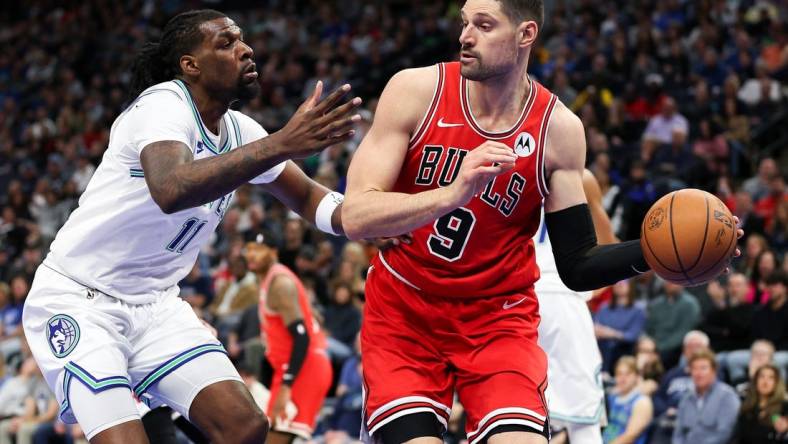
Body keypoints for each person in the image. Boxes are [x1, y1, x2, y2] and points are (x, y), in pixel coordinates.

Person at [343, 1, 741, 442]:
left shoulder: (559, 131)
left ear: (525, 34)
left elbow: (578, 265)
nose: (465, 36)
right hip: (406, 310)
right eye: (464, 23)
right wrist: (451, 194)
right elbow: (355, 215)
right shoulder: (416, 91)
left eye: (483, 25)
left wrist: (657, 253)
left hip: (498, 317)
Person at [21, 9, 361, 444]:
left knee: (245, 428)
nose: (246, 49)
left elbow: (312, 198)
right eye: (226, 42)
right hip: (80, 300)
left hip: (156, 305)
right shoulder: (163, 104)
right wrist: (281, 143)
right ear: (190, 65)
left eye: (242, 39)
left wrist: (368, 222)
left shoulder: (241, 130)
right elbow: (171, 188)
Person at [536, 169, 616, 443]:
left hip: (513, 296)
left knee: (515, 406)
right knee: (582, 410)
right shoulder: (581, 176)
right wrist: (586, 291)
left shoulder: (498, 162)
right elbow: (609, 243)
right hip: (560, 296)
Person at [244, 236, 332, 443]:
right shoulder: (272, 279)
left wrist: (286, 385)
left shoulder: (280, 283)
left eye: (259, 248)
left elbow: (302, 337)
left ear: (274, 252)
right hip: (293, 367)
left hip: (303, 369)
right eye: (249, 249)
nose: (251, 254)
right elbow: (310, 317)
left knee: (271, 437)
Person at [673, 349, 740, 444]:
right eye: (694, 368)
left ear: (714, 371)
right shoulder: (685, 399)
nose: (698, 373)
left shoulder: (727, 397)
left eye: (703, 368)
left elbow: (724, 434)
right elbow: (678, 435)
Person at [595, 279, 646, 374]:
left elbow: (632, 336)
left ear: (631, 285)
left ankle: (606, 373)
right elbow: (597, 329)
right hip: (602, 346)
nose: (620, 284)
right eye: (617, 281)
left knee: (611, 346)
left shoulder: (638, 309)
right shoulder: (604, 307)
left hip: (624, 348)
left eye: (624, 281)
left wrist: (612, 333)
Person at [602, 356, 652, 444]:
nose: (622, 379)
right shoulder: (611, 397)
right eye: (619, 374)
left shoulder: (642, 402)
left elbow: (629, 436)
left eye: (628, 374)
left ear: (637, 376)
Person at [734, 364, 788, 444]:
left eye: (771, 378)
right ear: (755, 381)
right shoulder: (746, 405)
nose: (765, 381)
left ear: (776, 383)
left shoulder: (784, 406)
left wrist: (785, 430)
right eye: (762, 376)